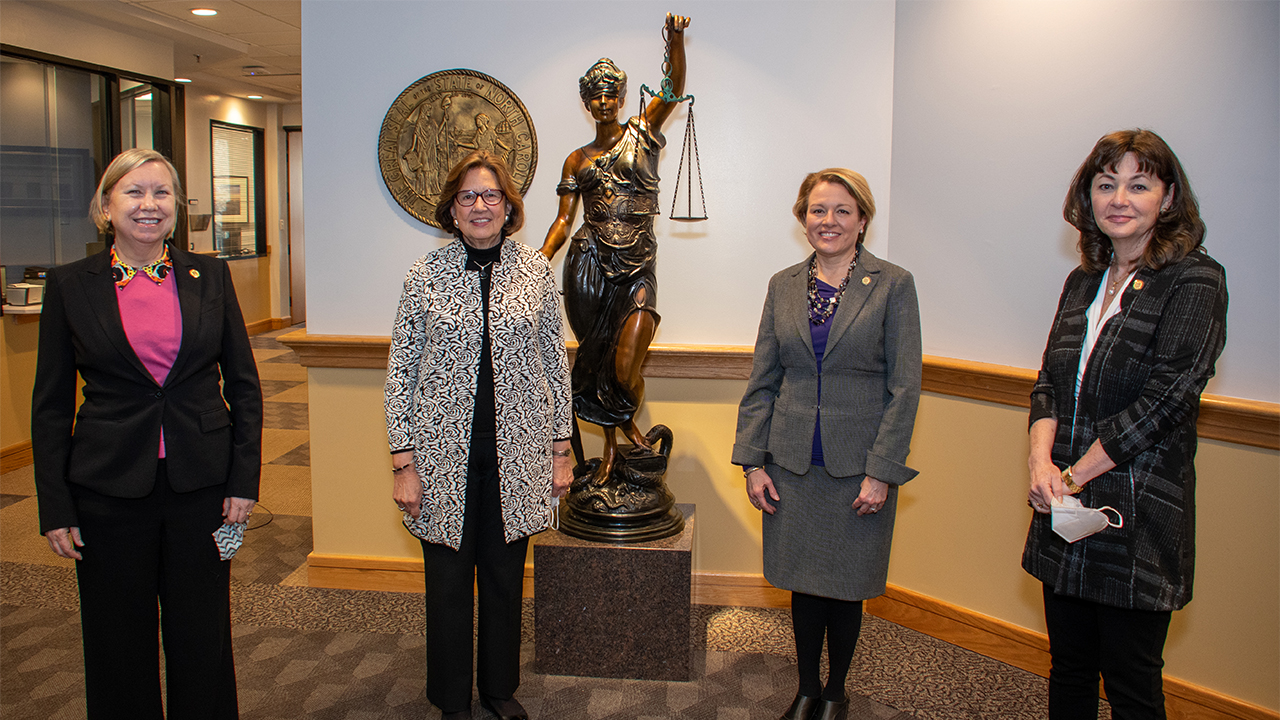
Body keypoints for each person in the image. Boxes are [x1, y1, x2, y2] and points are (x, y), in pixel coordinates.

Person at [32, 148, 263, 718]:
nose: (149, 205)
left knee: (201, 637)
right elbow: (52, 405)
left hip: (201, 484)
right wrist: (55, 505)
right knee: (116, 641)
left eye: (161, 193)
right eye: (133, 192)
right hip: (107, 488)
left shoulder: (208, 275)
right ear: (106, 206)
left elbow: (244, 384)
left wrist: (243, 478)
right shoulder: (70, 285)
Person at [1023, 129, 1228, 720]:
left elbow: (1167, 403)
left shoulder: (1195, 280)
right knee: (1068, 670)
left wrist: (1074, 476)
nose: (1119, 198)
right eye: (1106, 183)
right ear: (1087, 197)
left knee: (1133, 685)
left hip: (1135, 508)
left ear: (1166, 199)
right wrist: (1041, 466)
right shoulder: (1083, 281)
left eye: (1139, 184)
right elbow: (1048, 385)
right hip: (1061, 503)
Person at [386, 151, 573, 720]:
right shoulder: (425, 275)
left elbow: (553, 364)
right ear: (451, 208)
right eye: (468, 196)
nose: (480, 206)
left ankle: (498, 688)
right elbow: (402, 369)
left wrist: (561, 454)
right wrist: (403, 462)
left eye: (491, 195)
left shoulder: (535, 272)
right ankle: (450, 698)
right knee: (446, 584)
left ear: (509, 205)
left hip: (516, 455)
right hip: (442, 459)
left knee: (503, 577)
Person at [733, 169, 922, 720]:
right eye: (819, 210)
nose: (829, 221)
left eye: (843, 210)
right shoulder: (782, 284)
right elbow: (762, 380)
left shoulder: (893, 284)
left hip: (856, 466)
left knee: (845, 585)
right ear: (803, 218)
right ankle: (807, 686)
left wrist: (883, 470)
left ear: (863, 220)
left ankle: (837, 689)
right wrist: (751, 462)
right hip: (790, 462)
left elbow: (905, 387)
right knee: (802, 583)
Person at [540, 13, 690, 482]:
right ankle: (611, 450)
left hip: (637, 266)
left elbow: (671, 88)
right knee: (594, 358)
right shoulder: (576, 158)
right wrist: (536, 261)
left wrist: (677, 40)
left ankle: (634, 435)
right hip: (587, 265)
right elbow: (565, 220)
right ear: (587, 104)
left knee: (625, 364)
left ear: (622, 98)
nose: (604, 101)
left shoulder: (642, 133)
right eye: (595, 96)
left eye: (611, 93)